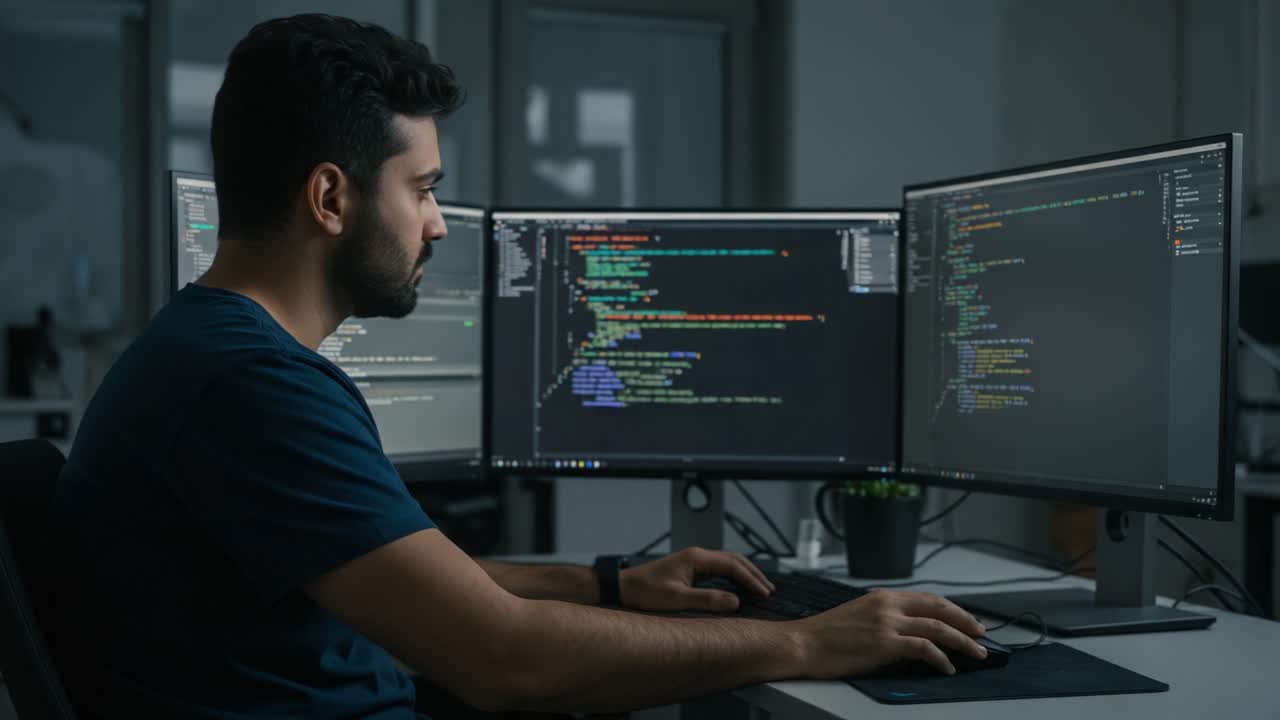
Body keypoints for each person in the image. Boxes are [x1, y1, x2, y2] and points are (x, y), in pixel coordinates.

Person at [42, 14, 987, 719]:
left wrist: (610, 585)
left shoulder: (206, 352)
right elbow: (506, 661)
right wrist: (811, 640)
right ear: (331, 197)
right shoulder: (249, 385)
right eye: (422, 190)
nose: (440, 223)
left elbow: (414, 583)